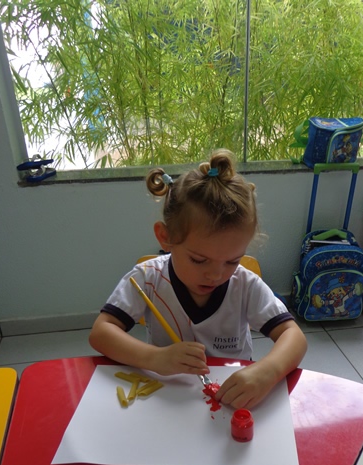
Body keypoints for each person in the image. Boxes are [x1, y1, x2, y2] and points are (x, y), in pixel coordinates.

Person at [89, 149, 307, 409]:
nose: (216, 275)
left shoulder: (245, 285)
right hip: (167, 397)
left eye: (232, 261)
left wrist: (267, 372)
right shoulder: (148, 279)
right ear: (166, 237)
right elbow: (101, 333)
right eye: (199, 260)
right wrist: (155, 358)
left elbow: (294, 336)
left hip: (232, 394)